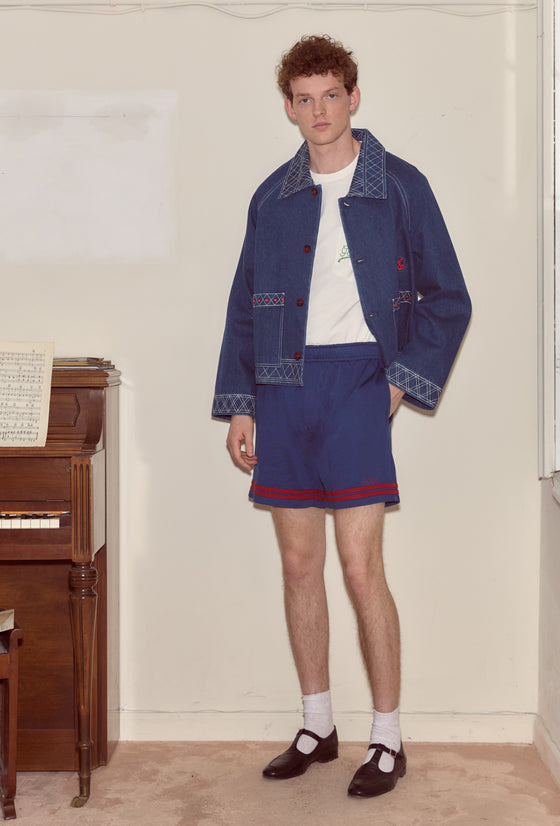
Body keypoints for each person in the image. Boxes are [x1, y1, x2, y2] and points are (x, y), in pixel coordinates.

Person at [212, 34, 471, 798]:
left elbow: (447, 299)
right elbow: (242, 311)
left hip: (359, 380)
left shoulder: (402, 188)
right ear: (288, 106)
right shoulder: (273, 196)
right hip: (283, 387)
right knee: (299, 567)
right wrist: (241, 405)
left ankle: (386, 735)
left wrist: (395, 385)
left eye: (331, 95)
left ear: (353, 97)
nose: (318, 111)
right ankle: (318, 723)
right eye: (303, 98)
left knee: (361, 569)